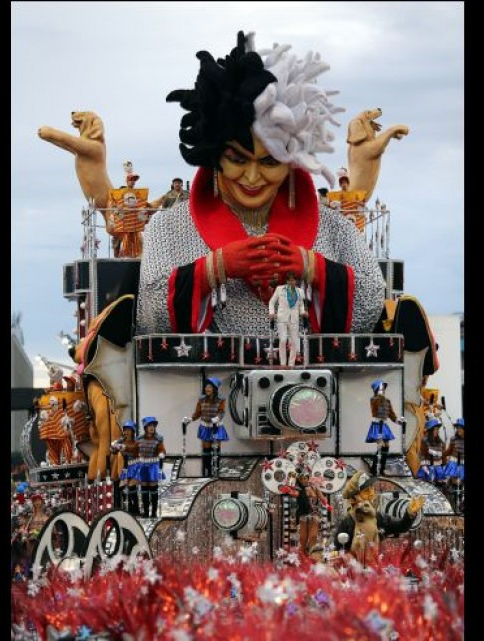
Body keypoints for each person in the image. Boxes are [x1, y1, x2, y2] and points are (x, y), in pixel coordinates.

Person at [134, 31, 386, 336]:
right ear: (214, 157)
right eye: (238, 160)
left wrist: (312, 268)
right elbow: (149, 316)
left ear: (292, 162)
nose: (252, 178)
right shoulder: (167, 227)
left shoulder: (336, 228)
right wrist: (217, 267)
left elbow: (372, 303)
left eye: (269, 162)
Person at [187, 377, 229, 477]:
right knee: (206, 449)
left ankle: (216, 470)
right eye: (206, 386)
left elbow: (222, 411)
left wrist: (218, 418)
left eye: (209, 386)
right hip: (205, 426)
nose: (207, 389)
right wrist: (190, 419)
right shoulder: (201, 399)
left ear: (214, 388)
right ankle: (207, 471)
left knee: (216, 448)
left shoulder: (221, 399)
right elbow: (198, 413)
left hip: (216, 426)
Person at [268, 271, 308, 367]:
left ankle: (291, 365)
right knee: (283, 340)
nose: (291, 282)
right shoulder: (280, 289)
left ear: (296, 281)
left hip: (294, 319)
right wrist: (272, 313)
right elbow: (271, 302)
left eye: (293, 280)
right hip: (282, 318)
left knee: (294, 341)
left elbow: (301, 305)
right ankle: (283, 364)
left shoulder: (300, 291)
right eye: (289, 280)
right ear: (286, 281)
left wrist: (303, 312)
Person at [133, 417, 167, 518]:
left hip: (153, 466)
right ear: (145, 427)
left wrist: (161, 454)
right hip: (143, 466)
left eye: (153, 425)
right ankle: (146, 512)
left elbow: (162, 450)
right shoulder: (139, 439)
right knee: (144, 489)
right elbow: (134, 450)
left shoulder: (158, 439)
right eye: (149, 426)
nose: (152, 428)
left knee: (153, 489)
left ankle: (154, 512)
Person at [366, 380, 398, 476]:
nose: (383, 389)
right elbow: (374, 411)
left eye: (383, 387)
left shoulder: (387, 401)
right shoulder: (374, 400)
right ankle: (375, 469)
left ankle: (381, 469)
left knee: (387, 446)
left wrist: (398, 421)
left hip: (384, 425)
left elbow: (391, 414)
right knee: (381, 446)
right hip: (377, 425)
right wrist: (380, 396)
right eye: (381, 387)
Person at [110, 421, 141, 516]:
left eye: (129, 430)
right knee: (122, 488)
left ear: (133, 431)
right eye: (125, 430)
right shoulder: (121, 440)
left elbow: (134, 449)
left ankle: (135, 510)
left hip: (134, 466)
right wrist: (114, 446)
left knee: (132, 489)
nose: (127, 432)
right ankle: (123, 509)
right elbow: (113, 451)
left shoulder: (136, 441)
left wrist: (125, 447)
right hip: (124, 467)